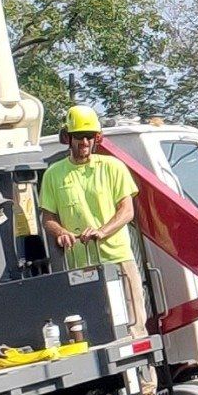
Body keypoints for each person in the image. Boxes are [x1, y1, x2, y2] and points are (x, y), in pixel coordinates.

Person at [39, 106, 149, 344]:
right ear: (68, 138)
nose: (85, 141)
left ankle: (147, 382)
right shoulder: (53, 174)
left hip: (117, 259)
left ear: (98, 138)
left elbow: (127, 211)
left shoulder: (113, 167)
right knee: (90, 332)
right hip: (79, 266)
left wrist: (102, 231)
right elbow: (47, 217)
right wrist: (61, 232)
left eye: (90, 136)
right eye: (79, 136)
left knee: (133, 328)